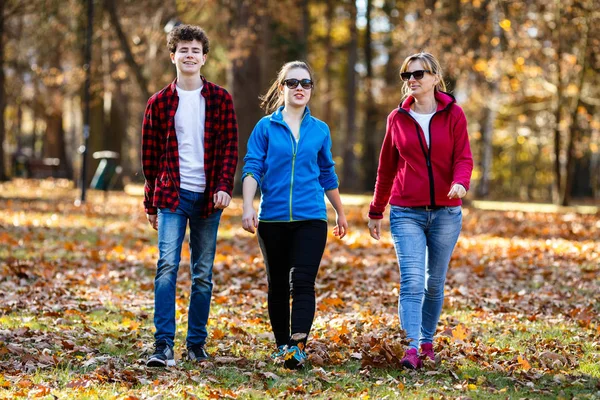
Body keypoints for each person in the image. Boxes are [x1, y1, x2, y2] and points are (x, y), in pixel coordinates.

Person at [367, 52, 473, 370]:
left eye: (418, 74)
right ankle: (411, 346)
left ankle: (427, 340)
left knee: (434, 282)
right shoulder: (397, 118)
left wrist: (460, 182)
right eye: (406, 75)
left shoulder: (454, 114)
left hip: (446, 213)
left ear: (435, 78)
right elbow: (386, 168)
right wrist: (376, 210)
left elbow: (464, 157)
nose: (412, 79)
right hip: (406, 211)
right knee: (412, 280)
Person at [141, 24, 238, 367]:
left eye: (195, 50)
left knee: (202, 273)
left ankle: (196, 344)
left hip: (209, 197)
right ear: (173, 56)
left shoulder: (220, 99)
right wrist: (150, 202)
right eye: (183, 50)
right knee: (167, 266)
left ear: (204, 57)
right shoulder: (159, 103)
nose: (189, 55)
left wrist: (225, 186)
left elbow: (229, 147)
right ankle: (162, 345)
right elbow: (149, 158)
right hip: (171, 196)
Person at [241, 61, 347, 369]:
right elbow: (252, 168)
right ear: (281, 87)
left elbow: (327, 173)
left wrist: (340, 212)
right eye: (292, 82)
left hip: (311, 217)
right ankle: (282, 345)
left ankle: (297, 346)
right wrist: (248, 206)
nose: (299, 88)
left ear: (311, 89)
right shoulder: (265, 127)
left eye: (305, 83)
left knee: (302, 281)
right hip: (272, 219)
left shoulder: (320, 130)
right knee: (277, 284)